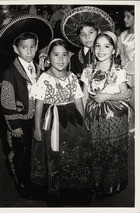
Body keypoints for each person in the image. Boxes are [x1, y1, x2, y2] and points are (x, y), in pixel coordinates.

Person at [0, 15, 53, 199]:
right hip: (20, 122)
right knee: (20, 154)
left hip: (35, 119)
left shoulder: (36, 67)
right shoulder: (9, 73)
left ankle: (35, 182)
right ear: (15, 49)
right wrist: (15, 125)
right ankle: (22, 183)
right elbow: (6, 101)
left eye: (32, 47)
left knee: (35, 153)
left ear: (37, 47)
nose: (28, 51)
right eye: (24, 47)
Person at [31, 38, 92, 203]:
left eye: (64, 55)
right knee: (55, 154)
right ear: (48, 57)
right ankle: (55, 189)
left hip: (72, 122)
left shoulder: (72, 77)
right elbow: (38, 105)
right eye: (56, 54)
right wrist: (37, 128)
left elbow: (79, 100)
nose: (60, 59)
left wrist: (83, 122)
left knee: (72, 153)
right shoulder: (44, 78)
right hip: (52, 123)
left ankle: (72, 186)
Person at [81, 31, 132, 197]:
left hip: (113, 118)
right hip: (93, 116)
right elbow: (84, 95)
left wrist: (108, 96)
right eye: (97, 46)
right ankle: (96, 183)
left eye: (106, 46)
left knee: (112, 151)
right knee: (95, 150)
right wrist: (83, 117)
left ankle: (111, 185)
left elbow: (126, 94)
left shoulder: (117, 70)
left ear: (114, 50)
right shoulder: (88, 70)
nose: (101, 50)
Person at [61, 6, 115, 88]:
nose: (87, 37)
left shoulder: (106, 54)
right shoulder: (74, 58)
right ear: (79, 38)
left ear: (98, 32)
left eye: (91, 33)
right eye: (83, 34)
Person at [117, 6, 135, 132]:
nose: (125, 19)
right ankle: (132, 124)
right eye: (124, 16)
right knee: (128, 100)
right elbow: (121, 54)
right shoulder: (123, 36)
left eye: (128, 16)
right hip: (127, 72)